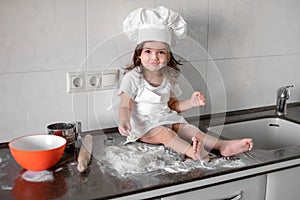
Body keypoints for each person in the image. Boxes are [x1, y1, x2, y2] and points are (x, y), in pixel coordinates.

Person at [118, 6, 253, 162]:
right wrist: (124, 120)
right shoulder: (133, 77)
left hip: (165, 118)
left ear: (168, 56)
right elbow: (124, 106)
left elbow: (173, 105)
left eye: (161, 52)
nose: (154, 57)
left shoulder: (167, 77)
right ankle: (193, 152)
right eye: (148, 51)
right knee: (166, 134)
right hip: (143, 127)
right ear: (139, 54)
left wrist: (191, 102)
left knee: (189, 129)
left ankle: (222, 145)